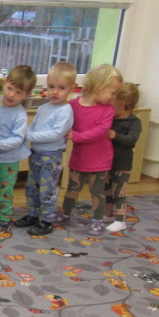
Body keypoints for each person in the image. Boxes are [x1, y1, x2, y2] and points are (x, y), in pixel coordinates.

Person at [55, 64, 123, 236]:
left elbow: (99, 132)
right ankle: (66, 213)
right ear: (99, 88)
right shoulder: (73, 105)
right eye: (112, 92)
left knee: (97, 192)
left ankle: (98, 220)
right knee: (72, 189)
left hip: (100, 162)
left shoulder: (108, 111)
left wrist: (76, 136)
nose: (113, 97)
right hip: (78, 159)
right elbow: (63, 121)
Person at [14, 61, 76, 236]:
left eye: (61, 88)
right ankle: (33, 215)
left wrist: (28, 135)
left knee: (47, 189)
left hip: (51, 156)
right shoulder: (43, 108)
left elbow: (55, 134)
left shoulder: (65, 110)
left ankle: (48, 220)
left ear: (71, 88)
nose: (55, 92)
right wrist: (27, 132)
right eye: (51, 87)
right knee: (32, 187)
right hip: (35, 155)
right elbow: (33, 126)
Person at [0, 65, 36, 235]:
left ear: (27, 95)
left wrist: (0, 144)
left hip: (8, 161)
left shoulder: (20, 114)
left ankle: (4, 220)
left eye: (18, 92)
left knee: (4, 192)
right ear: (4, 83)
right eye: (9, 88)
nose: (11, 95)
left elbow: (18, 139)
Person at [105, 82, 142, 233]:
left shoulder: (134, 122)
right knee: (106, 190)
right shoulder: (111, 118)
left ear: (121, 104)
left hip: (122, 164)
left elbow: (131, 140)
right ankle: (108, 213)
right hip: (107, 162)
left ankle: (121, 220)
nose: (108, 105)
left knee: (118, 192)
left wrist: (115, 135)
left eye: (111, 102)